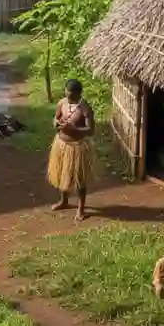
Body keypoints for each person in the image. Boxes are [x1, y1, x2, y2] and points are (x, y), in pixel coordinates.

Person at [47, 78, 97, 221]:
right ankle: (64, 201)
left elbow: (91, 130)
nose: (68, 97)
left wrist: (75, 128)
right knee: (62, 172)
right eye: (66, 93)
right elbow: (55, 118)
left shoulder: (85, 108)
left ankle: (81, 210)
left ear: (78, 93)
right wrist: (56, 123)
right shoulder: (61, 103)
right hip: (61, 144)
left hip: (77, 147)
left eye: (71, 95)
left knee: (79, 178)